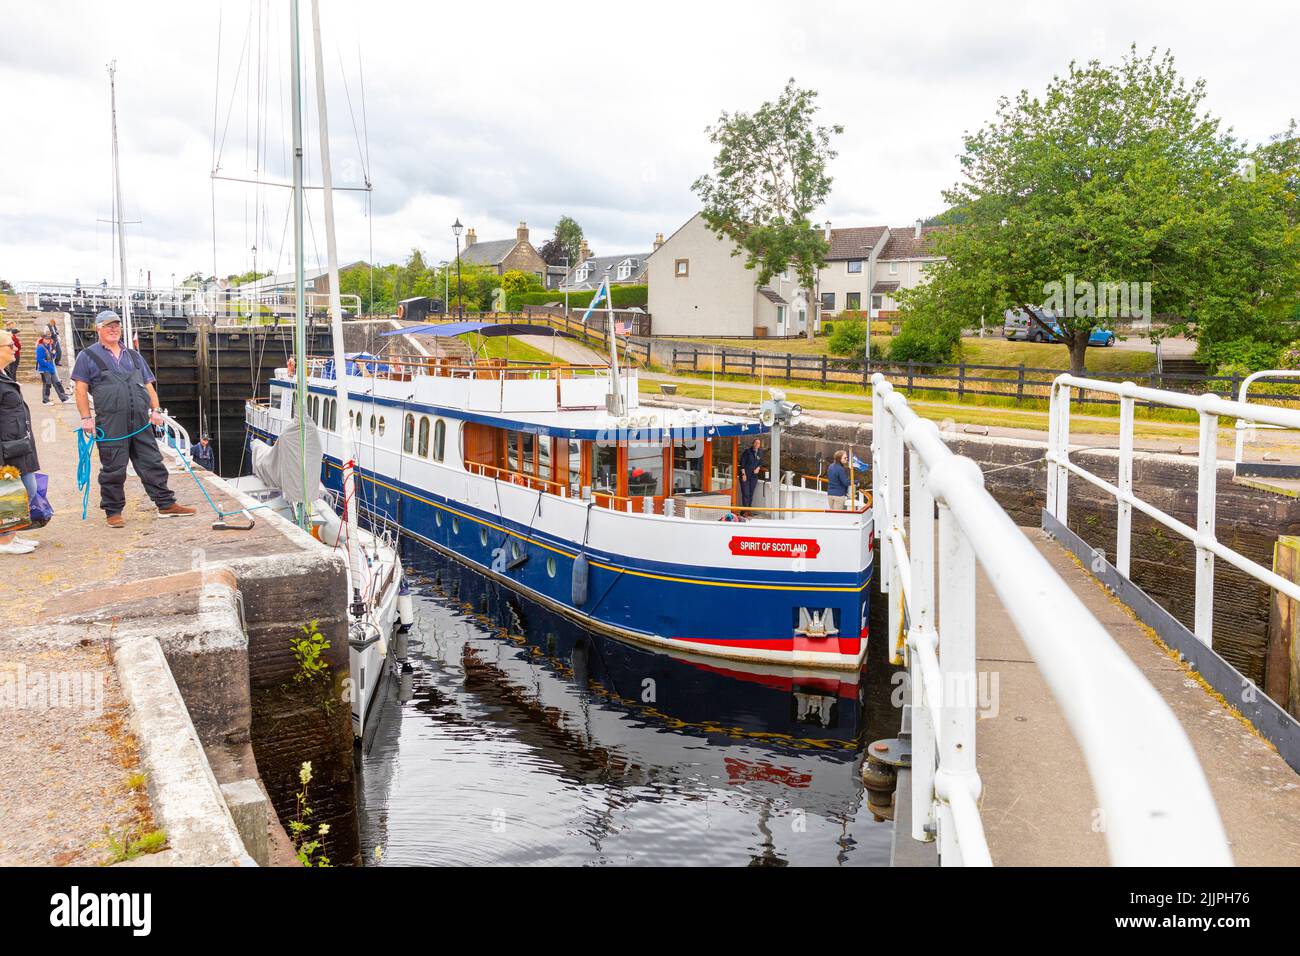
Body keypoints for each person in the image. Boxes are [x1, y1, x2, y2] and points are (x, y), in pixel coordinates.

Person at [72, 311, 196, 528]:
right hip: (110, 423)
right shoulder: (87, 356)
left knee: (152, 462)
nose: (114, 329)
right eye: (109, 326)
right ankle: (113, 511)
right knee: (113, 468)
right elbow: (80, 390)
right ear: (98, 328)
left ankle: (166, 504)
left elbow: (148, 386)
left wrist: (156, 410)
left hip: (140, 422)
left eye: (117, 326)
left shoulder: (134, 356)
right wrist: (86, 418)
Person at [0, 331, 42, 555]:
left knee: (21, 490)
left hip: (18, 444)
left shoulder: (3, 374)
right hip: (6, 447)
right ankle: (4, 540)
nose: (15, 348)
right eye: (9, 345)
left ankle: (11, 535)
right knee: (11, 491)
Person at [36, 334, 69, 405]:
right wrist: (48, 365)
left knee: (57, 383)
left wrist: (54, 353)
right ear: (43, 339)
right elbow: (40, 360)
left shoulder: (49, 347)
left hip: (51, 368)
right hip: (45, 369)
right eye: (46, 339)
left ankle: (64, 398)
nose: (47, 340)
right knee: (47, 384)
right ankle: (45, 400)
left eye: (48, 339)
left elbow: (52, 357)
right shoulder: (40, 348)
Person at [739, 438, 766, 509]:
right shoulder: (747, 452)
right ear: (753, 443)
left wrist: (758, 468)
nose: (757, 444)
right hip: (745, 475)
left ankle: (749, 509)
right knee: (746, 494)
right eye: (756, 443)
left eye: (758, 443)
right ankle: (745, 511)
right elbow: (742, 464)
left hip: (754, 477)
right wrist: (743, 475)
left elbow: (761, 463)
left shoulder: (760, 452)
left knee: (751, 493)